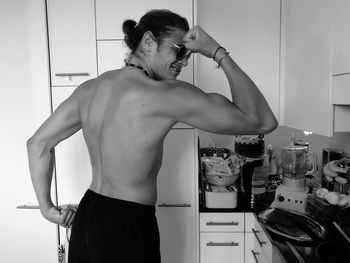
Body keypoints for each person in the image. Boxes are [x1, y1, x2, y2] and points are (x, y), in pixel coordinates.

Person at [27, 9, 278, 263]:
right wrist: (216, 51)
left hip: (87, 219)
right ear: (148, 42)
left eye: (189, 54)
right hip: (127, 227)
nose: (185, 61)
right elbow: (261, 120)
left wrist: (47, 208)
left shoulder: (89, 90)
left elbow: (37, 144)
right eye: (179, 50)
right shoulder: (166, 95)